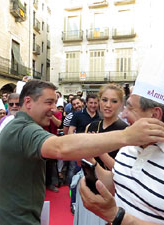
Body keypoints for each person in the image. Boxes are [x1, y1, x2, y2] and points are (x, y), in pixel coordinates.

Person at [0, 79, 164, 225]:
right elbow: (60, 147)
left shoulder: (21, 125)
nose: (53, 109)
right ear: (28, 102)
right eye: (48, 102)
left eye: (54, 103)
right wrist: (128, 136)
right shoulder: (22, 128)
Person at [79, 40, 164, 224]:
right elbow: (117, 182)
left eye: (130, 108)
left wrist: (116, 216)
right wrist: (91, 166)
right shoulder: (131, 143)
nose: (124, 114)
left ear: (154, 115)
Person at [73, 83, 128, 225]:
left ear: (121, 104)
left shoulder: (125, 131)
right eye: (104, 100)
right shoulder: (91, 126)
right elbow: (80, 161)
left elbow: (122, 170)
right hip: (87, 183)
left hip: (110, 193)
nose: (108, 105)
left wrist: (100, 152)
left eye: (114, 101)